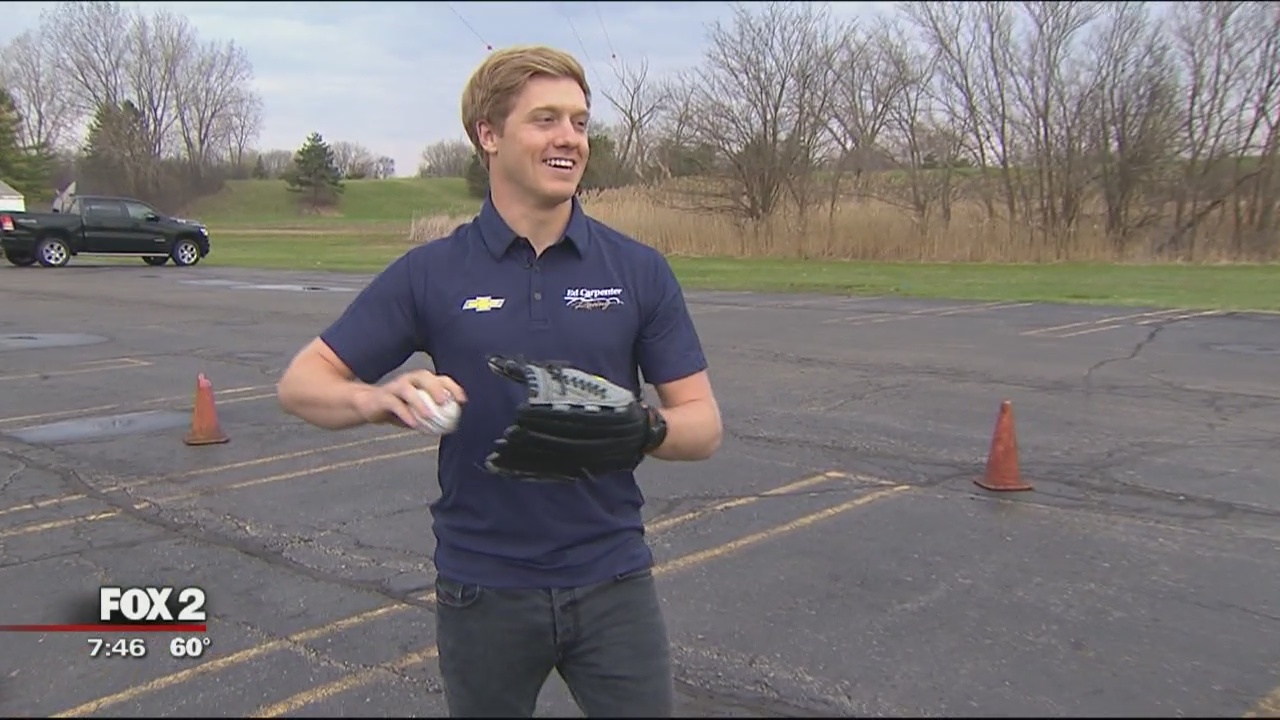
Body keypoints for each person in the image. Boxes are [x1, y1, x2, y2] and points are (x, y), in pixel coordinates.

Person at [276, 45, 723, 718]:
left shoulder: (638, 270)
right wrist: (374, 398)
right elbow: (301, 383)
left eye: (578, 121)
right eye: (545, 119)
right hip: (482, 587)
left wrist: (645, 427)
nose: (569, 137)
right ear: (488, 134)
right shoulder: (431, 273)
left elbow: (704, 424)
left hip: (612, 580)